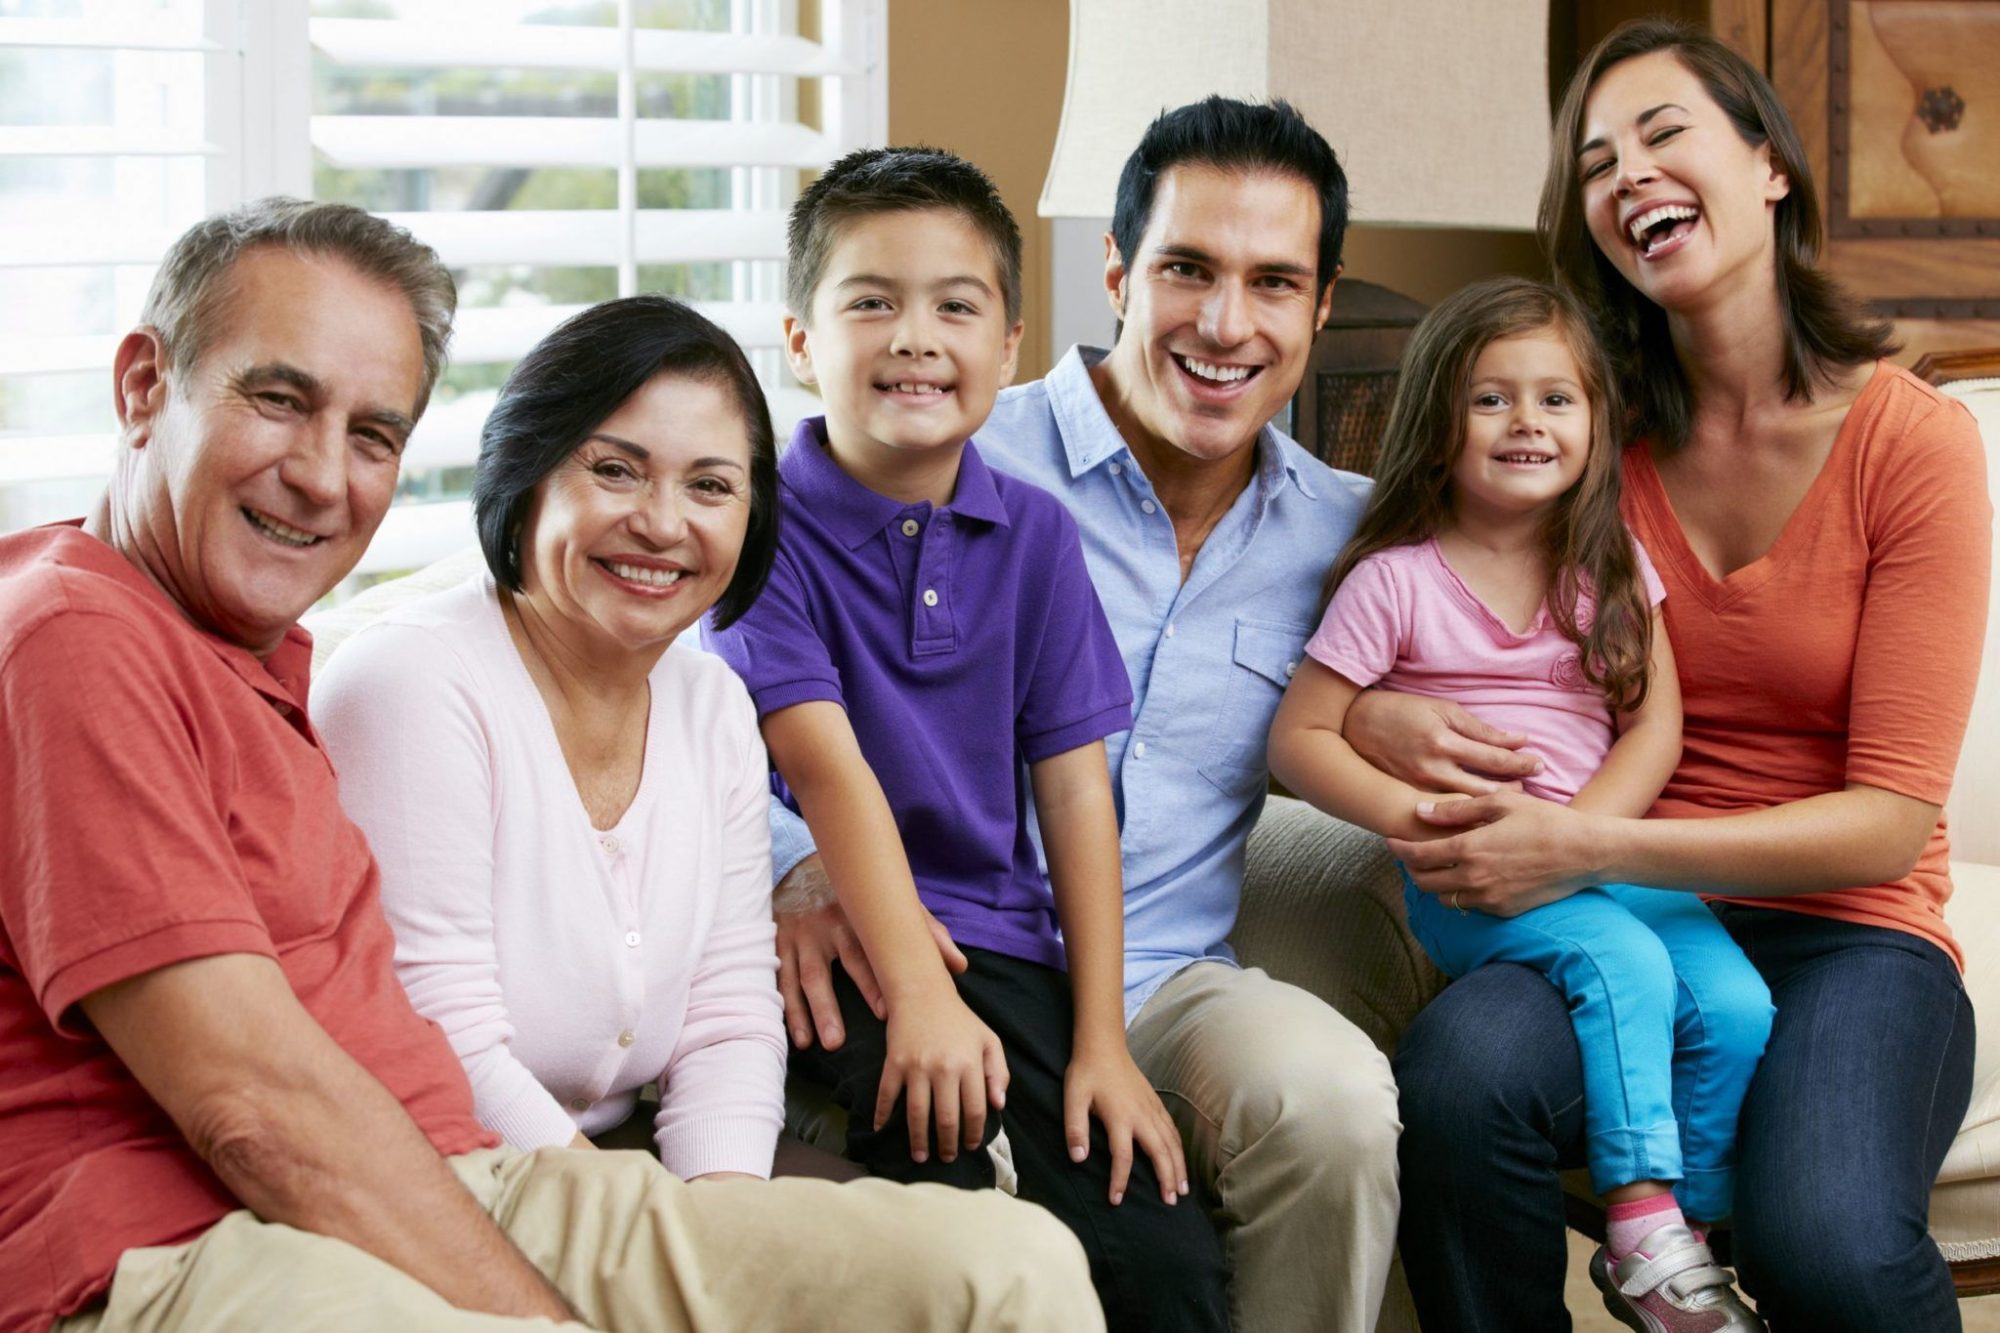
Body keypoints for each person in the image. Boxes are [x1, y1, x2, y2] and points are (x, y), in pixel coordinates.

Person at [0, 196, 1101, 1333]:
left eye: (373, 435)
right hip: (185, 1239)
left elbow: (720, 1008)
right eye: (280, 401)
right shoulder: (78, 637)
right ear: (143, 387)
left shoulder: (257, 655)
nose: (324, 478)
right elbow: (255, 1110)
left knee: (1009, 1268)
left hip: (459, 1185)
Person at [1369, 21, 1992, 1331]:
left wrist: (1583, 837)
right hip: (1623, 920)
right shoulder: (1585, 445)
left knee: (1822, 1240)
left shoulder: (1912, 446)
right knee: (1459, 1077)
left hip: (1854, 935)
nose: (1627, 176)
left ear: (1770, 166)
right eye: (1595, 163)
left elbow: (1890, 816)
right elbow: (1417, 596)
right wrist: (1379, 707)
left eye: (1662, 134)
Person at [765, 101, 1400, 1332]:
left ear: (1320, 309)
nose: (1224, 325)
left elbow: (1523, 627)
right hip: (934, 949)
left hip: (1157, 978)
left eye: (1274, 283)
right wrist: (793, 867)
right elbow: (693, 698)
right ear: (1113, 272)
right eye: (1184, 269)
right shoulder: (944, 441)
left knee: (1330, 1104)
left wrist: (1420, 729)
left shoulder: (1350, 533)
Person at [704, 145, 1229, 1333]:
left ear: (1007, 348)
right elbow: (825, 767)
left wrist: (1103, 1039)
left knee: (1162, 1257)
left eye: (955, 306)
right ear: (797, 342)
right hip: (840, 935)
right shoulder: (758, 528)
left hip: (1001, 947)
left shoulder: (1036, 535)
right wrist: (917, 995)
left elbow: (1077, 795)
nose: (914, 337)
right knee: (943, 1207)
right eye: (869, 301)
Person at [1270, 276, 1770, 1331]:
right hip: (1476, 872)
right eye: (1489, 398)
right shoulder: (1393, 583)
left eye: (1556, 398)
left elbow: (1653, 727)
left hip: (1602, 851)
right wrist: (1419, 825)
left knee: (1734, 1006)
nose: (1525, 422)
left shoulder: (1610, 566)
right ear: (1435, 419)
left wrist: (1582, 839)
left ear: (1595, 423)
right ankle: (1636, 1217)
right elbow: (1300, 736)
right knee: (1621, 965)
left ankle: (1689, 1235)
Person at [316, 296, 788, 1178]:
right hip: (433, 1167)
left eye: (711, 485)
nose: (662, 521)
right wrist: (651, 1242)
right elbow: (437, 1034)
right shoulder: (410, 684)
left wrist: (723, 1214)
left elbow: (728, 1013)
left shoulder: (714, 703)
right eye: (615, 470)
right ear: (526, 476)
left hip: (605, 1161)